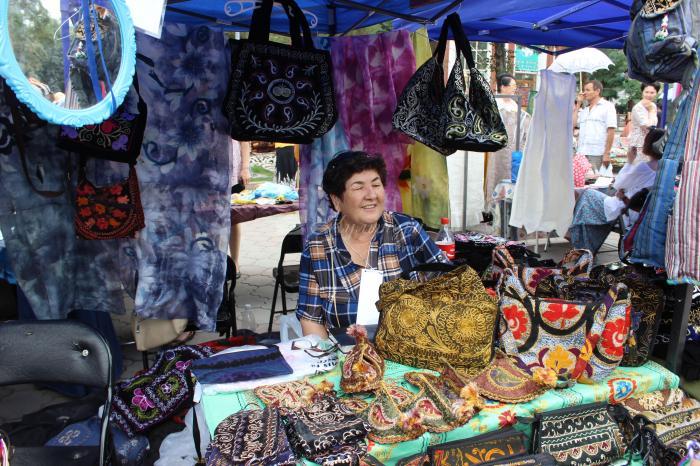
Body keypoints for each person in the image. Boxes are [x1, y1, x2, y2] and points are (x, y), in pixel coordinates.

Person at [296, 151, 447, 339]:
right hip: (345, 353)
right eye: (358, 187)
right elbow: (311, 319)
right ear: (336, 201)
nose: (371, 195)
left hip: (410, 350)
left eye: (376, 185)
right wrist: (327, 355)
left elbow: (449, 288)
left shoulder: (407, 231)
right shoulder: (318, 246)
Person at [568, 128, 665, 254]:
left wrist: (630, 161)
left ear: (649, 144)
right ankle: (580, 237)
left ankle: (578, 238)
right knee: (590, 195)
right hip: (640, 211)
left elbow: (618, 184)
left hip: (626, 210)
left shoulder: (644, 167)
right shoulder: (665, 169)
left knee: (587, 194)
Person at [485, 74, 531, 216]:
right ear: (503, 87)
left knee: (509, 175)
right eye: (512, 86)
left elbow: (524, 123)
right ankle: (491, 209)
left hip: (512, 148)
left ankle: (507, 208)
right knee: (494, 173)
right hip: (495, 149)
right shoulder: (494, 104)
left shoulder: (515, 106)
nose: (514, 89)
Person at [573, 80, 618, 172]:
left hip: (597, 153)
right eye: (584, 90)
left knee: (595, 179)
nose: (584, 93)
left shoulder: (607, 106)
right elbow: (573, 125)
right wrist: (578, 104)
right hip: (581, 153)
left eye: (588, 90)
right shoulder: (585, 110)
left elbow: (611, 131)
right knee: (582, 180)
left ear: (597, 91)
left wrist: (607, 153)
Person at [229, 140, 251, 278]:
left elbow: (245, 141)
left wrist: (245, 168)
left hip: (233, 169)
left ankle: (234, 262)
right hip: (209, 171)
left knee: (233, 218)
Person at [628, 82, 660, 163]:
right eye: (646, 92)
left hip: (649, 144)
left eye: (652, 92)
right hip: (638, 145)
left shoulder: (653, 105)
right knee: (639, 168)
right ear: (642, 92)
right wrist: (651, 111)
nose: (649, 95)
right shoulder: (638, 108)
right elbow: (648, 128)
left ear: (656, 93)